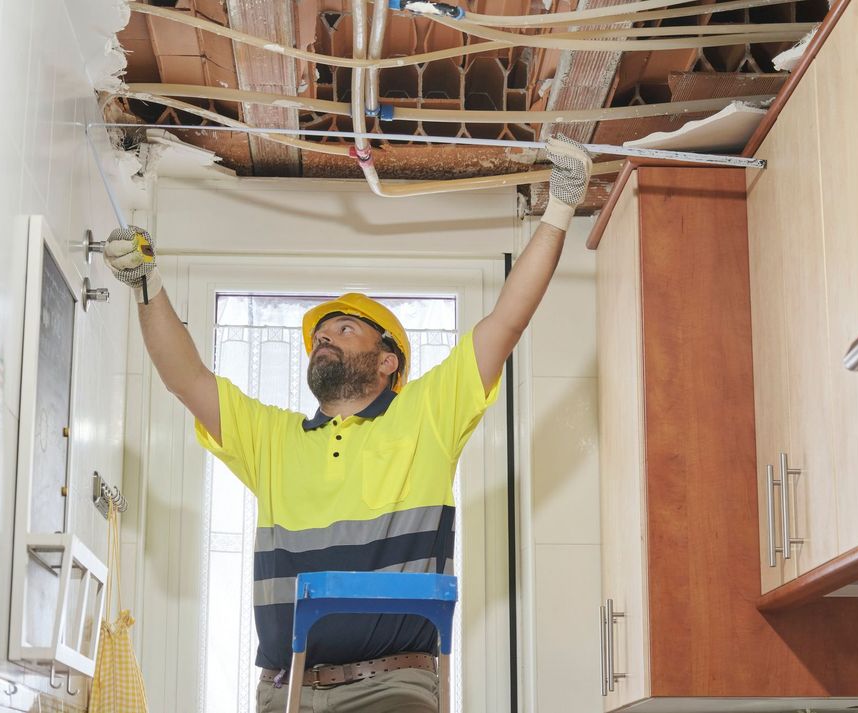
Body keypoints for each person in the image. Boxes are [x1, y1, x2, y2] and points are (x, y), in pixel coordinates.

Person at [103, 135, 592, 713]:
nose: (325, 338)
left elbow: (507, 320)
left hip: (392, 687)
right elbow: (184, 377)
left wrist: (561, 205)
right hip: (285, 689)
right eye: (319, 336)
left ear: (389, 362)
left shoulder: (426, 417)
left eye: (344, 330)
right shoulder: (272, 439)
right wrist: (146, 285)